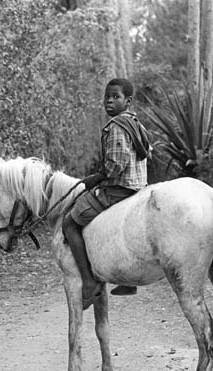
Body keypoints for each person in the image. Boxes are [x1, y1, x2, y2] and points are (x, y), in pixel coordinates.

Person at [62, 78, 151, 310]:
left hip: (119, 188)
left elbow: (116, 166)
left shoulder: (115, 127)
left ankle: (90, 282)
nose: (109, 101)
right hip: (138, 187)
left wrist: (96, 177)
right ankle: (129, 281)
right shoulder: (135, 123)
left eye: (115, 97)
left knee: (70, 222)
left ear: (128, 101)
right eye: (107, 97)